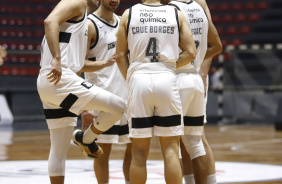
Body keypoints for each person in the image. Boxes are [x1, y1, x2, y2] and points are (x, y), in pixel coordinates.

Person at [36, 0, 126, 183]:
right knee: (119, 106)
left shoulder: (82, 20)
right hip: (61, 79)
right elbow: (49, 21)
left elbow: (78, 63)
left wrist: (104, 63)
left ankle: (84, 139)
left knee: (58, 152)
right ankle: (85, 139)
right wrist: (57, 58)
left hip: (50, 84)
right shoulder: (77, 2)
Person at [116, 0, 196, 183]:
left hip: (138, 78)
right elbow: (191, 52)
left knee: (138, 151)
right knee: (171, 151)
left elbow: (120, 55)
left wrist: (130, 79)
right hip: (166, 77)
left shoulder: (129, 14)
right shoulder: (176, 13)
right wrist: (167, 65)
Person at [168, 0, 222, 183]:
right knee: (192, 141)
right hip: (194, 77)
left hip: (177, 77)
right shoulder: (200, 4)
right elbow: (215, 44)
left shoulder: (169, 5)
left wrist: (203, 71)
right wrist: (201, 70)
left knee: (174, 142)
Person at [79, 0, 132, 183]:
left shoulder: (123, 21)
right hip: (102, 98)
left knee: (134, 147)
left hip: (128, 97)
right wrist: (84, 109)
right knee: (102, 152)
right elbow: (78, 65)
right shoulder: (90, 25)